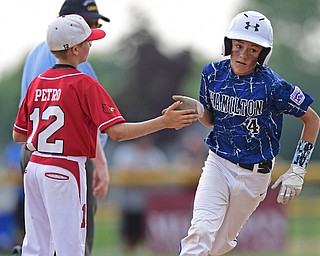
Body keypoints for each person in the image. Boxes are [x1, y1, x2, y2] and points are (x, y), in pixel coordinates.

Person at [12, 14, 198, 255]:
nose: (91, 44)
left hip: (34, 168)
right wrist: (163, 122)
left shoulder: (37, 82)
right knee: (71, 247)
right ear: (76, 49)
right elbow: (117, 133)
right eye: (87, 41)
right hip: (64, 170)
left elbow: (19, 135)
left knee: (36, 247)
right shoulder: (84, 83)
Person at [176, 11, 320, 255]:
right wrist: (200, 110)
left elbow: (313, 120)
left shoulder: (273, 85)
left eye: (252, 49)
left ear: (263, 53)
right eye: (238, 45)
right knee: (200, 234)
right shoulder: (212, 74)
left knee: (220, 244)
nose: (243, 53)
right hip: (218, 164)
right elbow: (211, 122)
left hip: (255, 175)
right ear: (228, 43)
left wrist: (298, 168)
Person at [12, 1, 110, 255]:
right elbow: (93, 124)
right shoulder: (80, 72)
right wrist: (101, 163)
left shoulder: (36, 53)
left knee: (39, 239)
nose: (92, 31)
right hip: (66, 160)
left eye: (94, 24)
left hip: (33, 156)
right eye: (88, 24)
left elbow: (19, 132)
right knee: (74, 241)